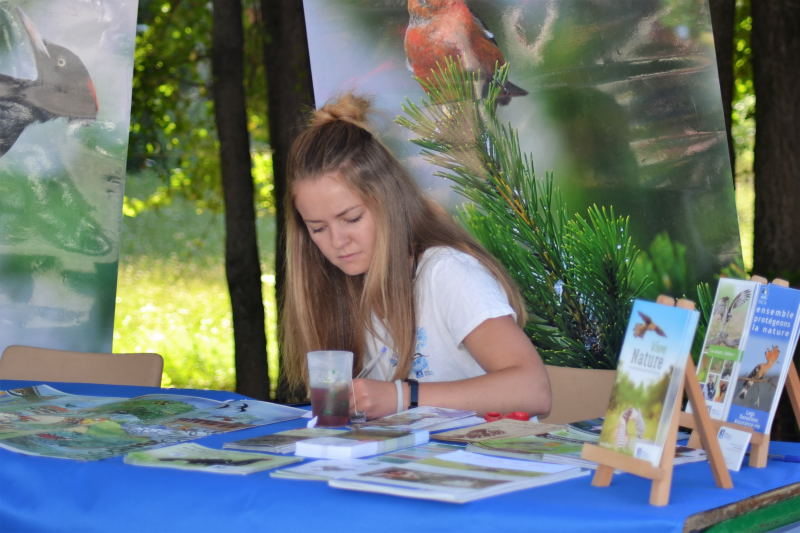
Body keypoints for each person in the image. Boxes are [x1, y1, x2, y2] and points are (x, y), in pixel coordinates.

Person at [282, 92, 551, 420]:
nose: (338, 241)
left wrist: (402, 396)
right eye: (317, 228)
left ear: (390, 202)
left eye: (351, 218)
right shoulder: (337, 284)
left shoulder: (447, 273)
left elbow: (533, 389)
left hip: (494, 460)